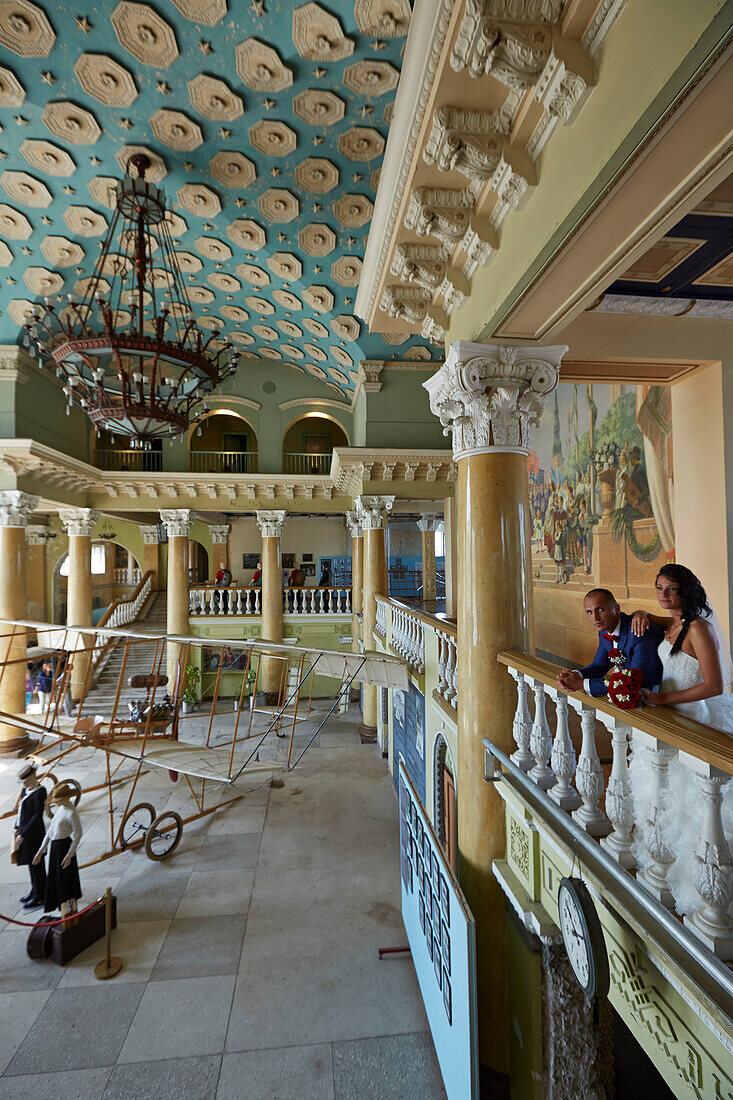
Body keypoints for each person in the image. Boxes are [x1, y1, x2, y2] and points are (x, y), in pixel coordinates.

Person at [628, 564, 733, 916]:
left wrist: (662, 700)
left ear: (686, 592)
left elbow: (714, 685)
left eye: (671, 589)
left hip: (692, 720)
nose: (663, 595)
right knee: (663, 803)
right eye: (658, 587)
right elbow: (655, 619)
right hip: (668, 720)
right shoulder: (674, 624)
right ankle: (664, 873)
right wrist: (643, 613)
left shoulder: (699, 629)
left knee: (691, 808)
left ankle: (702, 892)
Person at [556, 587, 663, 698]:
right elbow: (599, 666)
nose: (595, 618)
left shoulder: (639, 631)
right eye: (589, 612)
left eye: (601, 610)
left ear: (616, 609)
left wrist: (581, 684)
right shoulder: (604, 632)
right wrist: (575, 675)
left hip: (656, 694)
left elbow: (635, 681)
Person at [34, 780, 83, 917]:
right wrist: (41, 850)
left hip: (64, 847)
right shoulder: (60, 810)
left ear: (66, 798)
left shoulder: (71, 813)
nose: (56, 802)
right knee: (57, 879)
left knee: (66, 881)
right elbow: (51, 831)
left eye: (59, 800)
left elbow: (78, 833)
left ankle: (70, 909)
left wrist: (70, 854)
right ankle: (63, 909)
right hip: (55, 848)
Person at [14, 763, 46, 910]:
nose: (24, 784)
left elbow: (36, 817)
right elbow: (20, 810)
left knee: (37, 865)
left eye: (26, 781)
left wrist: (23, 834)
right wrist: (16, 827)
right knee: (30, 865)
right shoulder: (25, 790)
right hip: (24, 833)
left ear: (33, 777)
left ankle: (40, 895)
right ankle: (34, 891)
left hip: (34, 835)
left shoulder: (40, 792)